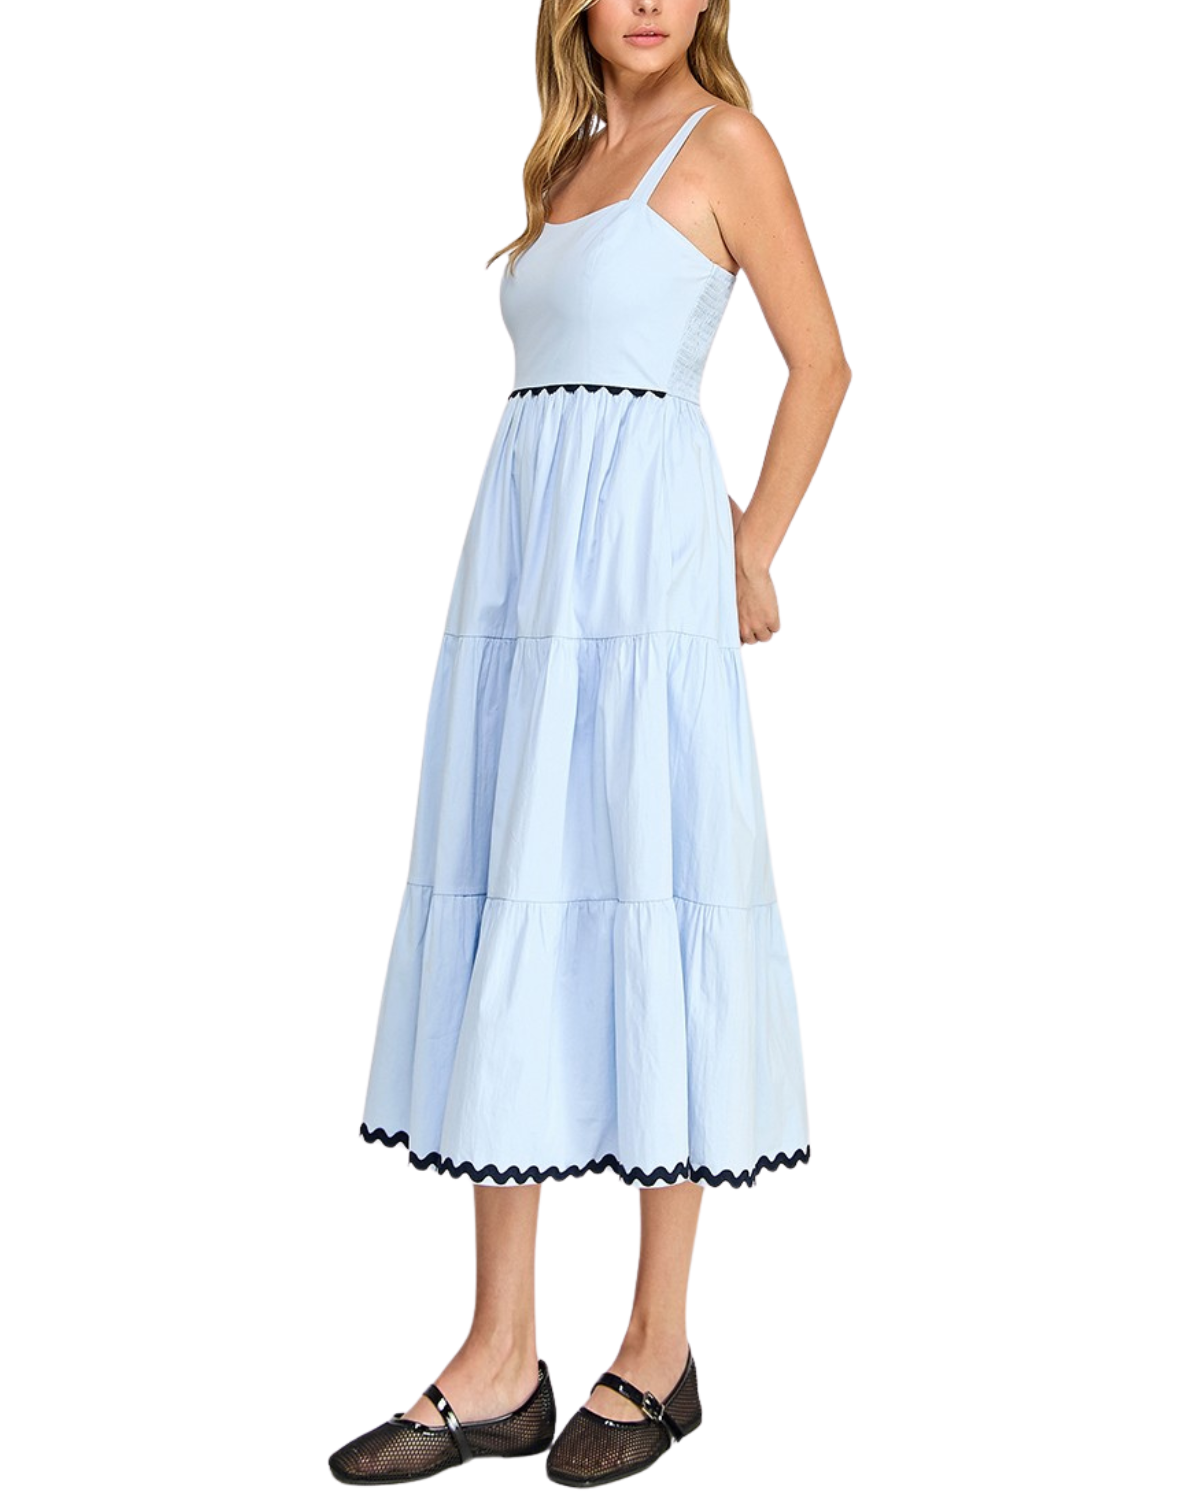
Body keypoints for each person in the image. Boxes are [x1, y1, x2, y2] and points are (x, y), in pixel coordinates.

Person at [330, 0, 851, 1486]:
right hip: (523, 571)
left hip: (644, 586)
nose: (649, 2)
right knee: (517, 907)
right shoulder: (565, 158)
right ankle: (500, 1359)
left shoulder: (727, 144)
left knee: (650, 898)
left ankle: (657, 1346)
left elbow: (822, 364)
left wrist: (750, 546)